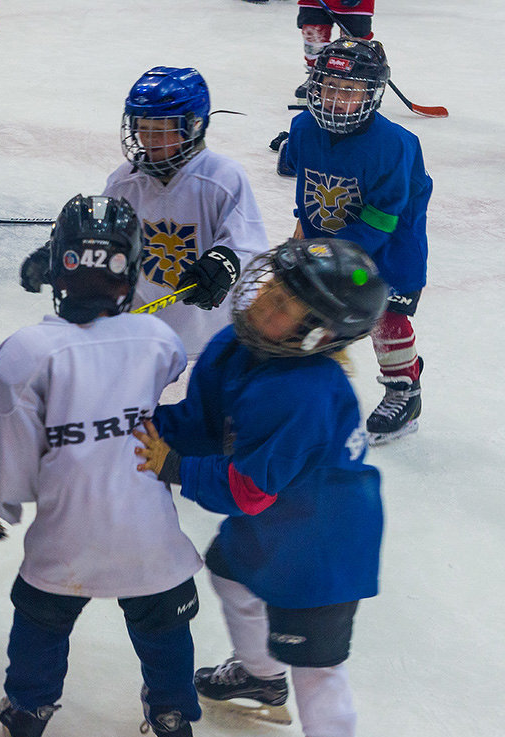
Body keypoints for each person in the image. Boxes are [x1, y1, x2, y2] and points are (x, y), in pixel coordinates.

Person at [134, 238, 389, 737]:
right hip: (280, 522)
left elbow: (247, 489)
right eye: (269, 288)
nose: (262, 303)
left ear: (316, 335)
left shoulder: (302, 392)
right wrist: (139, 425)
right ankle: (260, 675)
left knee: (314, 655)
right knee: (228, 571)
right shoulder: (235, 345)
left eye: (282, 307)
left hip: (325, 542)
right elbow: (205, 421)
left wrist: (171, 465)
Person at [0, 194, 204, 737]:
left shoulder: (27, 351)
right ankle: (173, 712)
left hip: (68, 531)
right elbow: (167, 360)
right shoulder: (159, 341)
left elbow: (14, 456)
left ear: (57, 270)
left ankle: (28, 710)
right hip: (148, 532)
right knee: (162, 621)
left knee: (41, 620)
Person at [22, 67, 262, 361]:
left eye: (162, 131)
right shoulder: (125, 180)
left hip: (209, 334)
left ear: (194, 126)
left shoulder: (222, 177)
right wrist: (58, 255)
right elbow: (101, 235)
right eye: (143, 128)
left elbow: (248, 243)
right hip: (141, 330)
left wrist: (224, 261)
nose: (150, 140)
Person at [280, 37, 432, 443]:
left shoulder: (396, 145)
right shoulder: (302, 127)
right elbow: (302, 175)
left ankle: (404, 389)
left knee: (387, 315)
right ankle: (306, 389)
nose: (335, 98)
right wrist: (304, 234)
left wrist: (329, 256)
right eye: (328, 86)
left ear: (371, 95)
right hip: (326, 241)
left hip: (391, 250)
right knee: (311, 308)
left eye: (349, 91)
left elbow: (382, 218)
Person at [294, 1, 375, 98]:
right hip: (315, 3)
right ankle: (317, 77)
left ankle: (352, 81)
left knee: (354, 45)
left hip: (357, 6)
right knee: (313, 37)